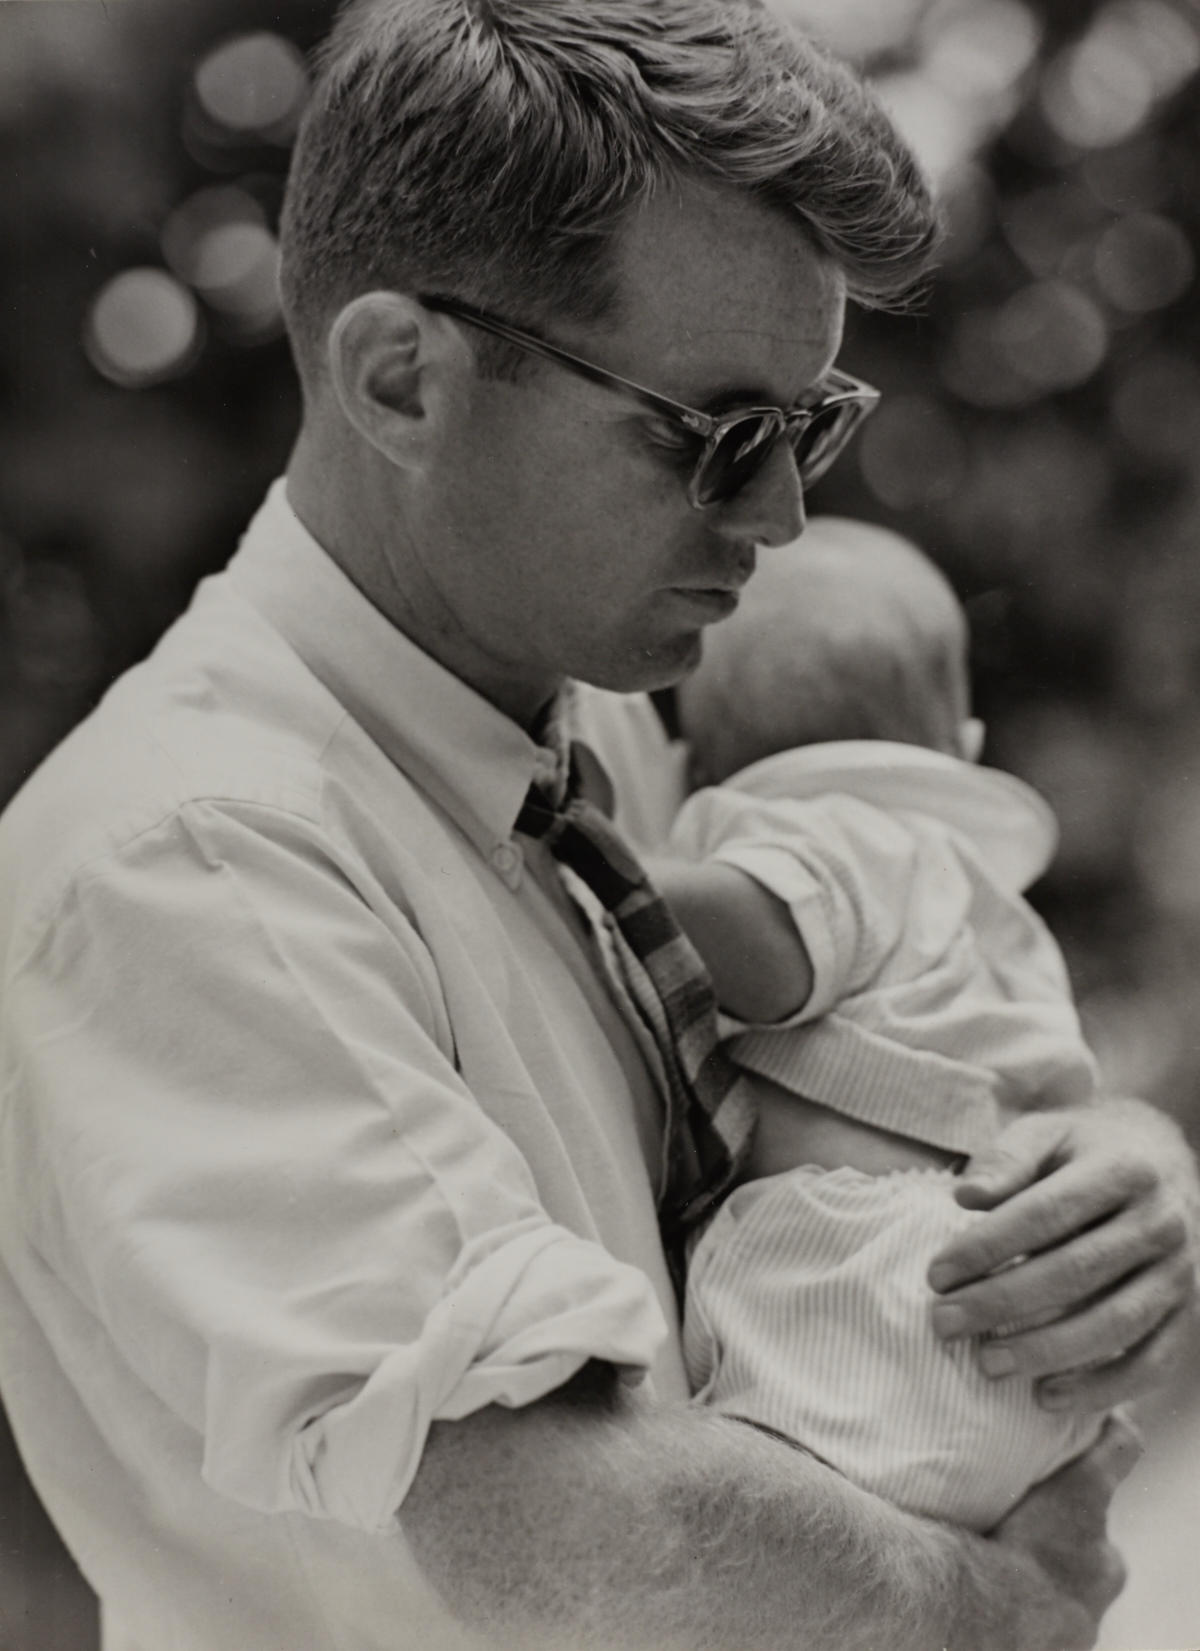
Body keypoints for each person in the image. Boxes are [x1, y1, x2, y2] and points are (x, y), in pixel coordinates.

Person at [0, 4, 1195, 1649]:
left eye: (809, 426)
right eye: (716, 436)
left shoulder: (606, 743)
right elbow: (576, 1537)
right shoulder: (193, 857)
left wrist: (1111, 1182)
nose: (782, 519)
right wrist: (992, 1608)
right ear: (403, 379)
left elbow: (883, 1044)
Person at [654, 527, 1105, 1530]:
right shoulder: (982, 898)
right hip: (1018, 1314)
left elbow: (772, 948)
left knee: (755, 1548)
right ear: (967, 747)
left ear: (691, 765)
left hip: (863, 1299)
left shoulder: (841, 837)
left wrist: (604, 873)